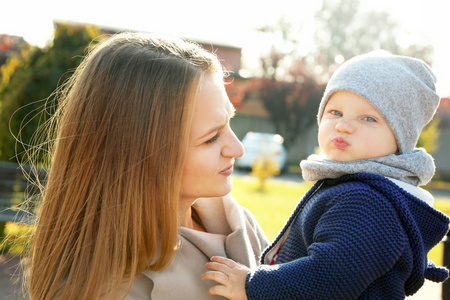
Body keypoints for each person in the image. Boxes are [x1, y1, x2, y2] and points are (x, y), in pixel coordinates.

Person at [25, 32, 269, 300]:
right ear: (140, 153)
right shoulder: (117, 289)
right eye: (211, 138)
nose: (238, 149)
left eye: (229, 121)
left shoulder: (237, 222)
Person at [202, 51, 450, 299]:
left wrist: (251, 285)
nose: (343, 125)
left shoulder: (366, 201)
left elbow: (330, 275)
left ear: (400, 137)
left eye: (368, 118)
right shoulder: (354, 187)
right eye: (335, 112)